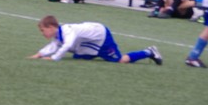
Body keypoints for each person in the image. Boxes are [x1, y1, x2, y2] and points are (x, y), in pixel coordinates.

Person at [29, 15, 162, 64]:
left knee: (120, 60)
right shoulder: (58, 35)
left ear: (51, 27)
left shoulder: (67, 31)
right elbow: (54, 45)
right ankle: (92, 53)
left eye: (43, 30)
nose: (42, 33)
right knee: (79, 57)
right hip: (90, 41)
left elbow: (67, 45)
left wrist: (54, 58)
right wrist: (39, 54)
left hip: (101, 36)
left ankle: (149, 51)